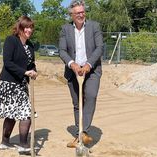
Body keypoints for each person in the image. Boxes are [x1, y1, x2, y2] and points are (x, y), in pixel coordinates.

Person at [59, 0, 103, 148]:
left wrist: (88, 64)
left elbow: (99, 48)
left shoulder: (94, 26)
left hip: (92, 70)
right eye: (78, 13)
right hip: (73, 71)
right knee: (77, 103)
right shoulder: (65, 29)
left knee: (90, 96)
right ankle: (80, 134)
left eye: (83, 12)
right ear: (71, 15)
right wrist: (72, 64)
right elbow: (62, 50)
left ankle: (83, 131)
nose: (81, 14)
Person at [0, 15, 38, 153]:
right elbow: (8, 62)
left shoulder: (30, 46)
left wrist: (34, 71)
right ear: (20, 28)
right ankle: (5, 141)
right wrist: (25, 72)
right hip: (8, 83)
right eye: (26, 27)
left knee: (26, 113)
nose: (29, 30)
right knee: (11, 114)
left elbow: (31, 64)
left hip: (22, 85)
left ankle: (23, 145)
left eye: (31, 27)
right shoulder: (11, 41)